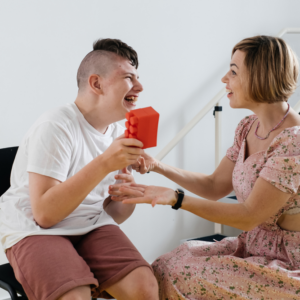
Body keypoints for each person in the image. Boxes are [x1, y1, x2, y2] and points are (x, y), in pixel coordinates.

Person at [109, 35, 300, 299]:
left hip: (288, 262)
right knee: (168, 263)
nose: (224, 79)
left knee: (180, 274)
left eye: (233, 71)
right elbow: (214, 186)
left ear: (260, 76)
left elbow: (248, 215)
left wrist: (174, 199)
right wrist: (158, 166)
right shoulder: (248, 127)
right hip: (253, 244)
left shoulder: (293, 141)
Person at [0, 39, 159, 300]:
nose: (140, 87)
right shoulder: (56, 126)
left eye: (138, 78)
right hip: (36, 229)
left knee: (145, 288)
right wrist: (105, 162)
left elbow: (115, 214)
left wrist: (127, 196)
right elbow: (45, 215)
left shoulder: (119, 134)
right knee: (75, 296)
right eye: (129, 78)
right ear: (96, 84)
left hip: (90, 225)